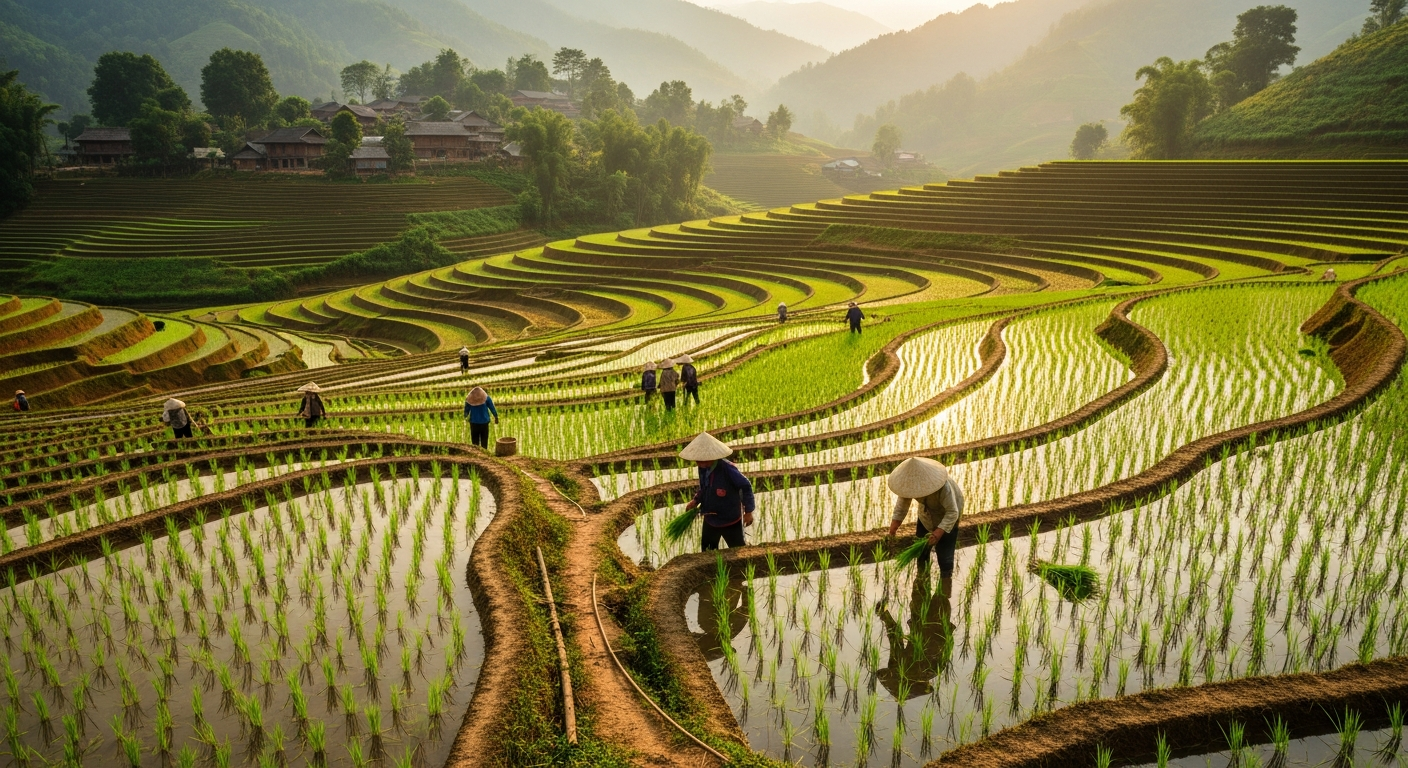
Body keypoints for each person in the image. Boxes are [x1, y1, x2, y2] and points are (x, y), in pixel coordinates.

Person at [886, 457, 965, 584]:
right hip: (926, 515)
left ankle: (945, 584)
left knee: (945, 557)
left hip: (948, 516)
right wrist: (892, 530)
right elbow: (901, 507)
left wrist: (938, 533)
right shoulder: (908, 485)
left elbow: (952, 512)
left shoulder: (943, 487)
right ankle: (922, 580)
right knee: (922, 553)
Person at [877, 572, 954, 699]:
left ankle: (942, 560)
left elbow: (947, 645)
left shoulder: (934, 671)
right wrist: (884, 615)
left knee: (943, 582)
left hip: (938, 622)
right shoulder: (898, 666)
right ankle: (929, 556)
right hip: (921, 619)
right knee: (922, 577)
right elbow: (895, 636)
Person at [680, 432, 755, 552]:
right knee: (708, 553)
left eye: (702, 460)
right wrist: (695, 500)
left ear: (712, 457)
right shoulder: (703, 468)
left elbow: (745, 486)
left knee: (738, 552)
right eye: (697, 460)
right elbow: (704, 487)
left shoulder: (728, 469)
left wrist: (749, 511)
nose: (698, 463)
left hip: (730, 519)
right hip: (710, 517)